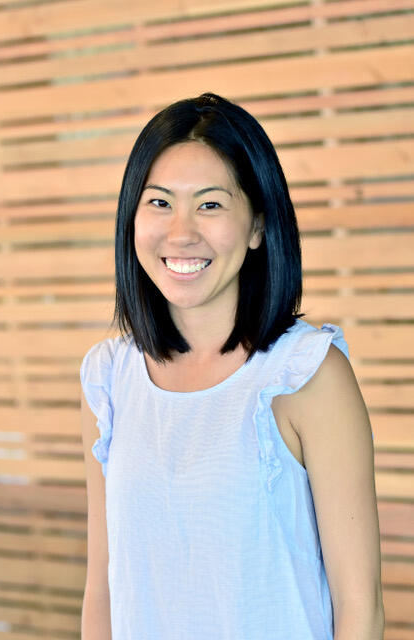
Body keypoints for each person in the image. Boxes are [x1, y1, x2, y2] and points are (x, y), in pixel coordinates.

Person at [80, 92, 384, 639]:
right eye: (159, 202)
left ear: (258, 227)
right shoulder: (108, 379)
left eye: (211, 204)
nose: (181, 233)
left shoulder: (307, 374)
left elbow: (360, 609)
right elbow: (103, 588)